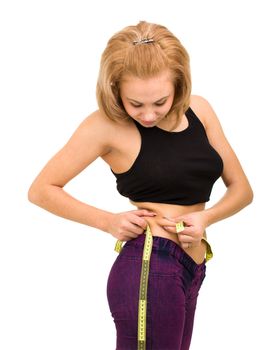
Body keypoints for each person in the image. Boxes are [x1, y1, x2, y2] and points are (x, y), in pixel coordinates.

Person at [28, 21, 253, 350]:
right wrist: (108, 221)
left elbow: (242, 190)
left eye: (160, 102)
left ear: (179, 83)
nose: (148, 115)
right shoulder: (104, 126)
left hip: (193, 265)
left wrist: (206, 218)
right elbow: (42, 189)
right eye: (136, 104)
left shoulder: (200, 110)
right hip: (152, 264)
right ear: (115, 88)